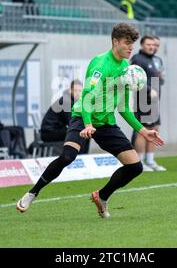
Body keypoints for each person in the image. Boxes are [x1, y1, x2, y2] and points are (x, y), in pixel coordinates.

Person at [16, 23, 165, 218]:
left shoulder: (126, 68)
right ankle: (32, 193)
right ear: (115, 41)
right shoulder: (100, 64)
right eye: (127, 43)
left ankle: (102, 196)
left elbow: (123, 108)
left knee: (135, 167)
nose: (131, 48)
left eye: (132, 44)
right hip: (82, 117)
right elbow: (86, 97)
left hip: (106, 123)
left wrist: (143, 130)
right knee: (68, 157)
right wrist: (87, 124)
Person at [130, 35, 166, 171]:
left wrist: (161, 79)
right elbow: (132, 78)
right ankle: (139, 162)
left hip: (155, 102)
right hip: (143, 100)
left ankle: (150, 160)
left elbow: (160, 79)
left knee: (155, 129)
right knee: (142, 130)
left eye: (154, 45)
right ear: (142, 45)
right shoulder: (137, 59)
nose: (152, 47)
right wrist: (149, 90)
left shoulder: (157, 60)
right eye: (149, 44)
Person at [40, 79, 90, 155]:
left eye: (80, 91)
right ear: (71, 90)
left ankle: (83, 156)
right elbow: (72, 121)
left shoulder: (73, 101)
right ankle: (80, 156)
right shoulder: (66, 101)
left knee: (85, 131)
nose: (78, 93)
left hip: (57, 130)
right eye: (76, 90)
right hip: (49, 132)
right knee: (79, 132)